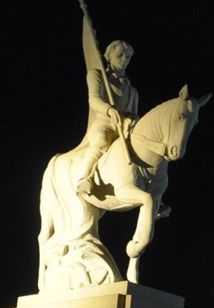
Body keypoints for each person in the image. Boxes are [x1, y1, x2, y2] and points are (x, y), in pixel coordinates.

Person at [75, 2, 140, 199]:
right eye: (120, 54)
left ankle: (153, 191)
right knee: (100, 140)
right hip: (105, 122)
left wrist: (133, 118)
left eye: (128, 57)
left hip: (125, 127)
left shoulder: (132, 89)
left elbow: (135, 111)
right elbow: (94, 100)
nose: (124, 59)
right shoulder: (97, 75)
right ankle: (83, 178)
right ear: (109, 55)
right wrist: (109, 110)